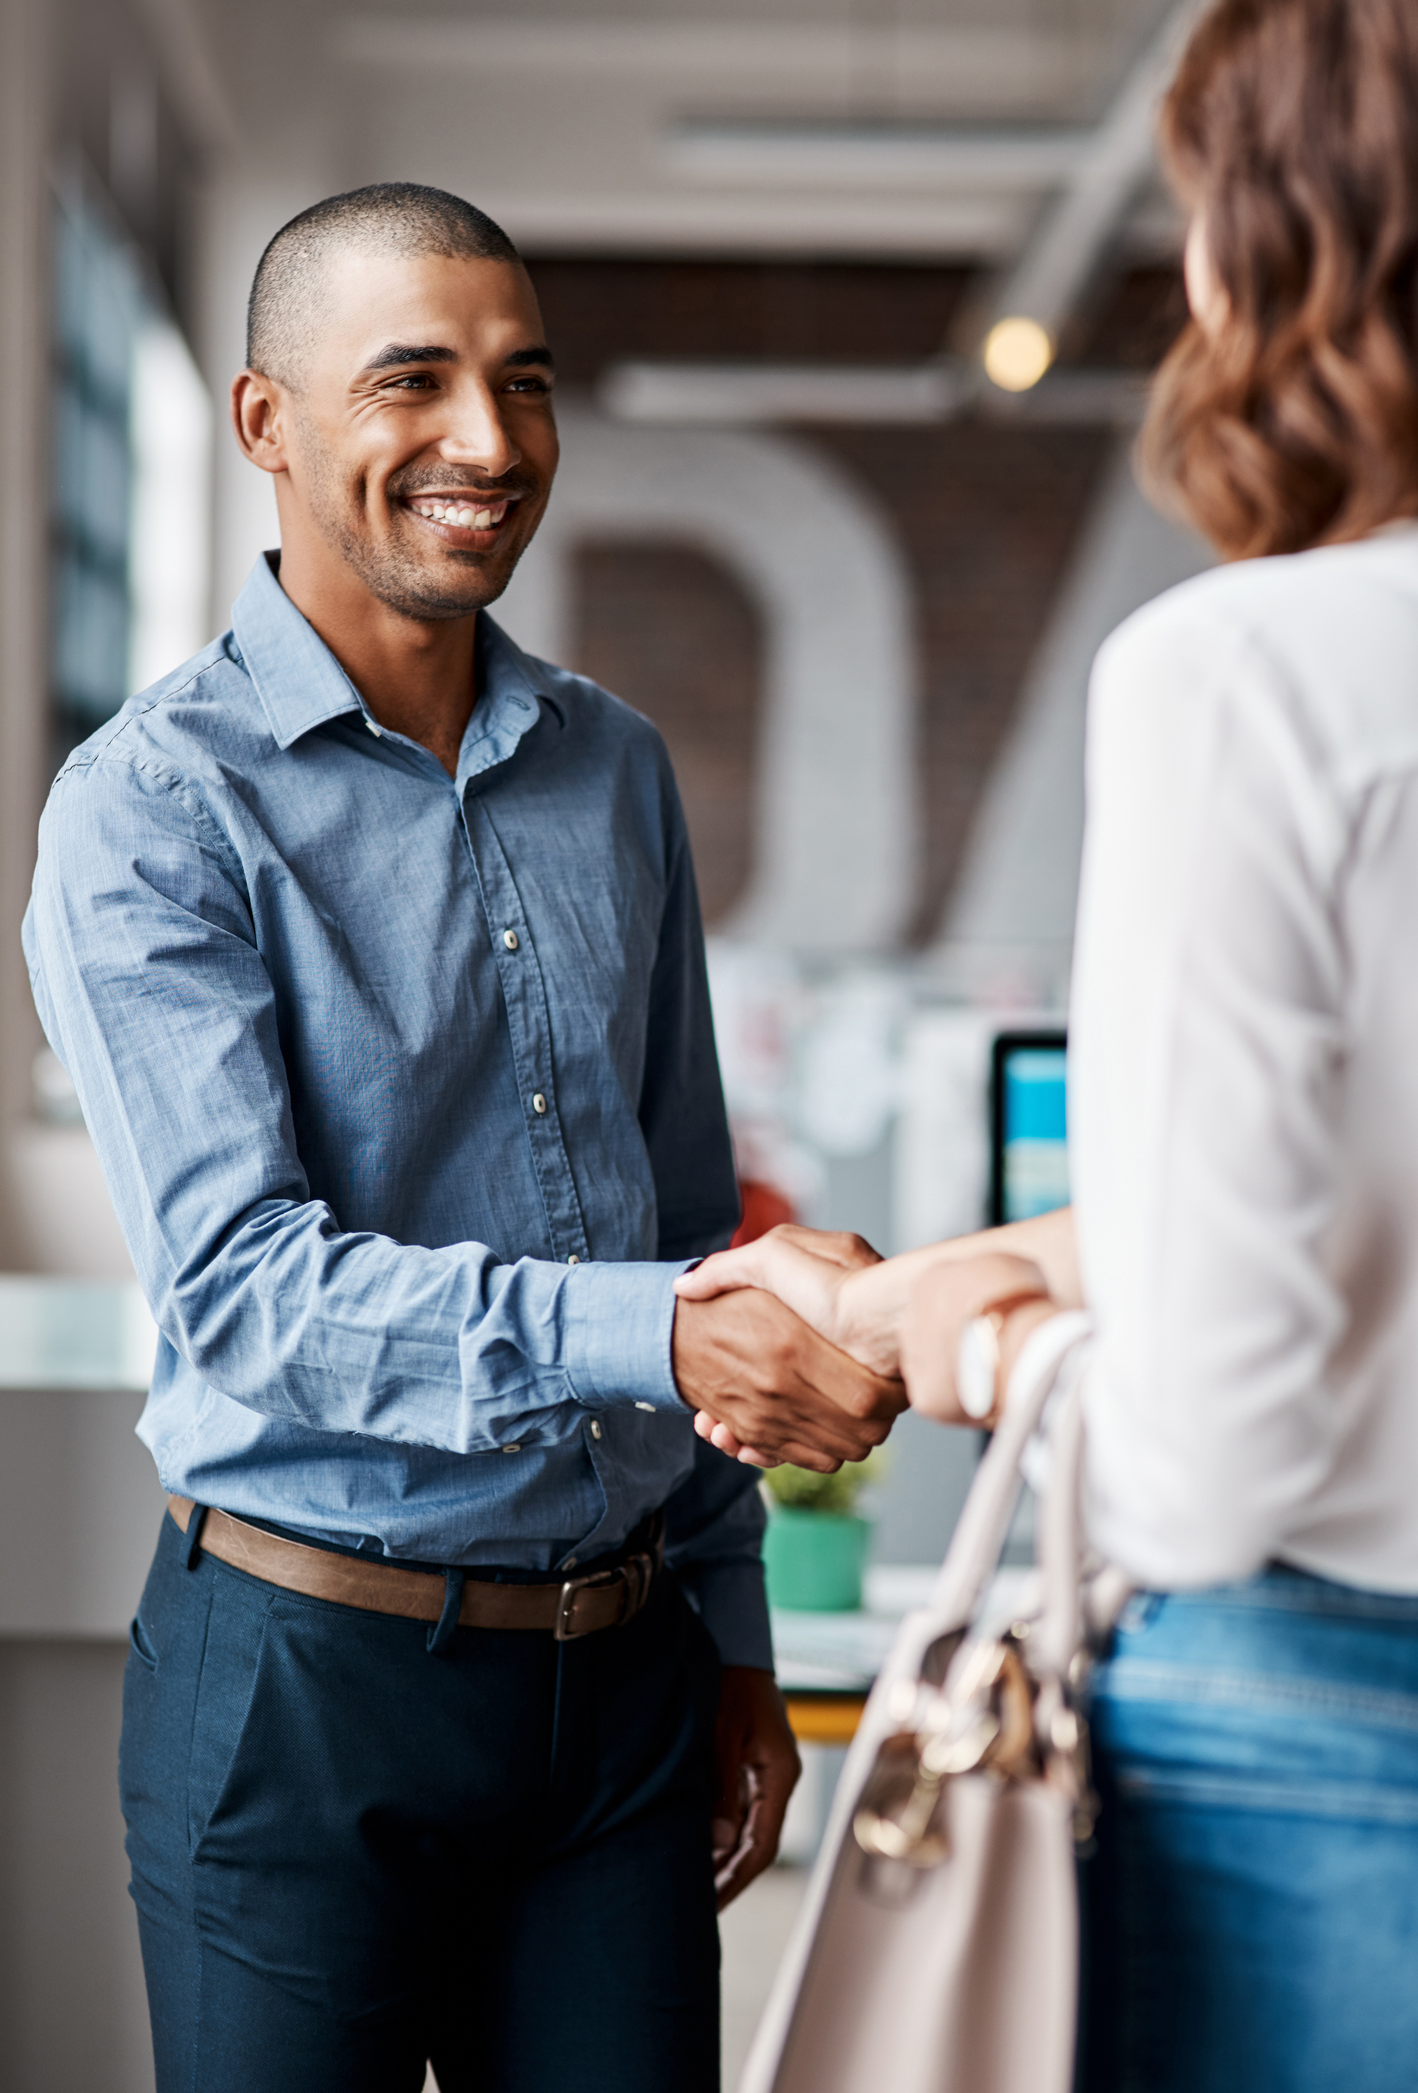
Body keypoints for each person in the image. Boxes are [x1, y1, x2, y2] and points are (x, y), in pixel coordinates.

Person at [24, 182, 903, 2093]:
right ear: (267, 423)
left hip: (624, 1685)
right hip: (301, 1680)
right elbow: (247, 1294)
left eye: (525, 383)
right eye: (411, 381)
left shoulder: (617, 766)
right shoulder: (148, 809)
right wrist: (661, 1327)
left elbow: (686, 1211)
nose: (489, 446)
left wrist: (733, 1628)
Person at [678, 2, 1418, 2086]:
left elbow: (1204, 1463)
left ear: (1283, 238)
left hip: (1320, 1750)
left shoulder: (1245, 674)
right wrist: (961, 1275)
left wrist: (946, 1349)